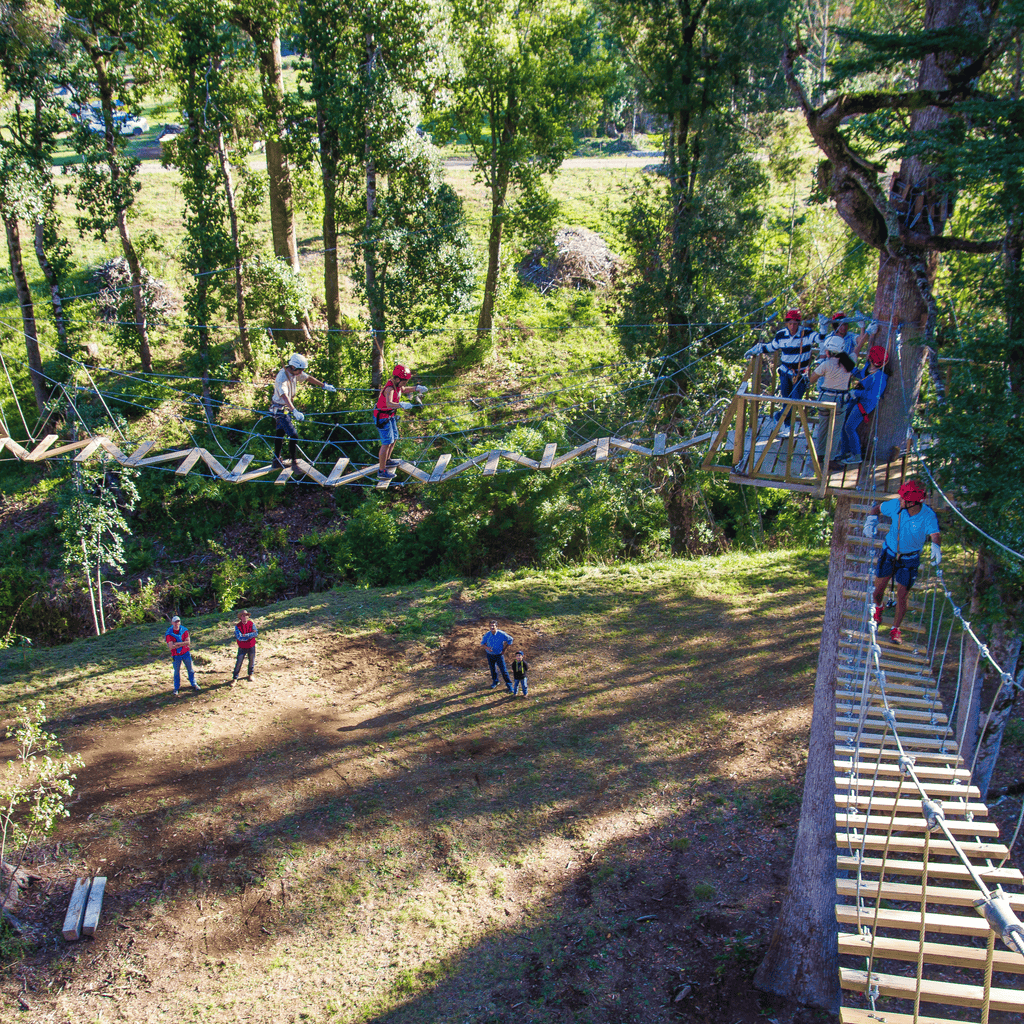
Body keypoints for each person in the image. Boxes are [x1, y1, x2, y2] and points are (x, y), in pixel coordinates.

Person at [863, 480, 941, 645]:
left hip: (909, 559)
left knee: (902, 595)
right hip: (890, 553)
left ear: (914, 502)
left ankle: (895, 629)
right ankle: (879, 607)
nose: (900, 500)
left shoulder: (927, 516)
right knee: (877, 591)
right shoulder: (896, 506)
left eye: (904, 498)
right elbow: (876, 509)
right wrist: (871, 521)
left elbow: (935, 533)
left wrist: (936, 546)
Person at [745, 309, 815, 436]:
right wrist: (756, 349)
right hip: (785, 372)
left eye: (795, 323)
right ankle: (786, 425)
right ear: (786, 323)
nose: (792, 326)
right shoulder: (781, 335)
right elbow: (770, 346)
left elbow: (821, 339)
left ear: (799, 323)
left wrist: (824, 328)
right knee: (786, 400)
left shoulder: (807, 334)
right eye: (790, 323)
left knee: (795, 402)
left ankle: (780, 417)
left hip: (800, 374)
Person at [270, 353, 336, 469]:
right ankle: (294, 462)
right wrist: (294, 410)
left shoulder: (294, 373)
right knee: (293, 435)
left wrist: (323, 385)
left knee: (280, 433)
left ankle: (276, 459)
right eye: (300, 370)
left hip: (285, 408)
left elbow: (308, 378)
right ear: (294, 367)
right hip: (280, 408)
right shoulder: (282, 377)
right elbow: (284, 396)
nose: (301, 373)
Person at [834, 344, 889, 466]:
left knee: (850, 427)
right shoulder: (869, 368)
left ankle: (856, 455)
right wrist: (846, 362)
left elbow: (874, 395)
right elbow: (861, 375)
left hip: (865, 404)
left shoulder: (880, 377)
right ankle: (845, 451)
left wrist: (856, 392)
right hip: (857, 399)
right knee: (844, 425)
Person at [808, 336, 855, 465]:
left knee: (823, 427)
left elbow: (811, 380)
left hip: (824, 399)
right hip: (840, 401)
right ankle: (831, 458)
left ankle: (820, 454)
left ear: (828, 351)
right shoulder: (850, 363)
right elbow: (857, 350)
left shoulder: (826, 365)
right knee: (835, 431)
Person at [375, 364, 427, 481]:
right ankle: (382, 471)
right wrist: (401, 405)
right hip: (383, 417)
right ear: (398, 379)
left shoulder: (396, 385)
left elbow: (403, 389)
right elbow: (389, 404)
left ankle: (387, 461)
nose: (405, 384)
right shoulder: (390, 388)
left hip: (390, 415)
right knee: (387, 442)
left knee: (394, 439)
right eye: (404, 381)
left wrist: (416, 388)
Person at [165, 615, 200, 695]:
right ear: (172, 623)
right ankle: (176, 688)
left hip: (186, 653)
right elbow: (171, 646)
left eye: (178, 621)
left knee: (190, 669)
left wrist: (177, 644)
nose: (177, 623)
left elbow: (188, 642)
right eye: (175, 622)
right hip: (176, 655)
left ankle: (194, 683)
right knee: (176, 672)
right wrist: (182, 644)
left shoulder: (184, 630)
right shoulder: (169, 633)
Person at [480, 620, 514, 692]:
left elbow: (510, 639)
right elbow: (482, 643)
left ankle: (509, 685)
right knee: (493, 669)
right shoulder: (487, 635)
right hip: (490, 655)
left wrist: (504, 649)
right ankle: (495, 681)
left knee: (504, 671)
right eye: (491, 626)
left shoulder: (501, 634)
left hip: (499, 655)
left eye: (493, 626)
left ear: (496, 626)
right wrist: (487, 648)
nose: (492, 627)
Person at [232, 609, 258, 682]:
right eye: (243, 616)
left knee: (252, 661)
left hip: (251, 645)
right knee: (239, 662)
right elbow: (239, 637)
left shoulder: (251, 624)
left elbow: (256, 634)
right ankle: (235, 678)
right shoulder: (237, 626)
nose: (245, 617)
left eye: (246, 615)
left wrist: (245, 635)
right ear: (240, 617)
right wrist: (250, 636)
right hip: (242, 647)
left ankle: (250, 674)